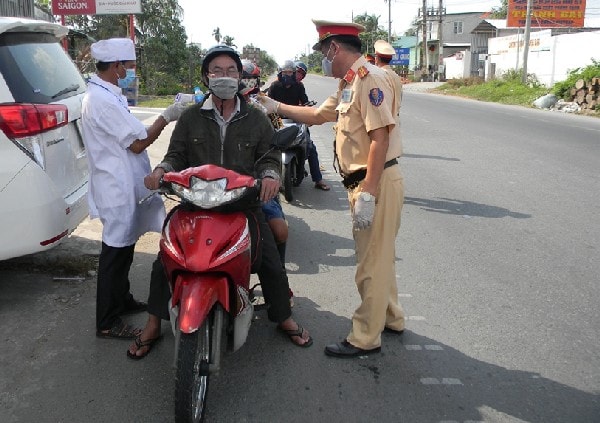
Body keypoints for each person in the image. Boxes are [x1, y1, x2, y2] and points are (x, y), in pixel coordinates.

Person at [127, 45, 312, 359]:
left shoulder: (256, 118)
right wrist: (161, 171)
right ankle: (154, 323)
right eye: (217, 71)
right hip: (195, 203)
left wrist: (269, 176)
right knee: (165, 260)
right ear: (206, 77)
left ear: (240, 77)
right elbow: (175, 156)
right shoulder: (189, 118)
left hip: (242, 202)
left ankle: (283, 316)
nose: (224, 77)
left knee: (268, 260)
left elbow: (268, 158)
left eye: (230, 71)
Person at [258, 20, 405, 358]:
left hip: (375, 180)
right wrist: (275, 106)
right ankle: (392, 317)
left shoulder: (371, 80)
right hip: (369, 180)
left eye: (324, 52)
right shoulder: (350, 82)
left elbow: (380, 138)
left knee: (370, 263)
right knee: (379, 257)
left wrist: (368, 192)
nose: (323, 59)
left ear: (335, 48)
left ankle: (365, 337)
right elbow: (319, 115)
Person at [81, 38, 186, 339]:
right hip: (115, 187)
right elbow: (138, 143)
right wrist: (166, 116)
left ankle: (122, 300)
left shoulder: (106, 94)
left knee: (125, 248)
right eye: (126, 66)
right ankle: (106, 320)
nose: (128, 71)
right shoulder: (99, 100)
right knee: (114, 254)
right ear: (114, 67)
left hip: (122, 182)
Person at [267, 60, 330, 191]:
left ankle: (318, 179)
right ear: (280, 73)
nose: (287, 75)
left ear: (293, 73)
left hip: (296, 120)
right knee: (265, 147)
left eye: (290, 72)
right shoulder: (274, 86)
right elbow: (267, 104)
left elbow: (306, 102)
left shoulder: (299, 86)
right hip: (277, 122)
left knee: (310, 147)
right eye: (284, 72)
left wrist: (309, 114)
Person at [374, 39, 403, 123]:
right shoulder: (396, 76)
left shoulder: (378, 76)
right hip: (395, 120)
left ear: (377, 59)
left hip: (383, 122)